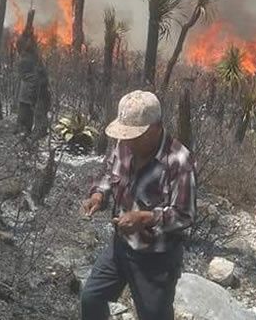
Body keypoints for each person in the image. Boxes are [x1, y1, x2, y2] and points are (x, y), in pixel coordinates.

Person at [80, 90, 197, 320]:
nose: (128, 140)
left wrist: (145, 218)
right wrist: (98, 196)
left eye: (136, 135)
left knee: (154, 315)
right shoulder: (123, 145)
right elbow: (107, 174)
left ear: (155, 128)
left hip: (156, 258)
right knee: (91, 298)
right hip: (120, 247)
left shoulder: (179, 161)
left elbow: (185, 214)